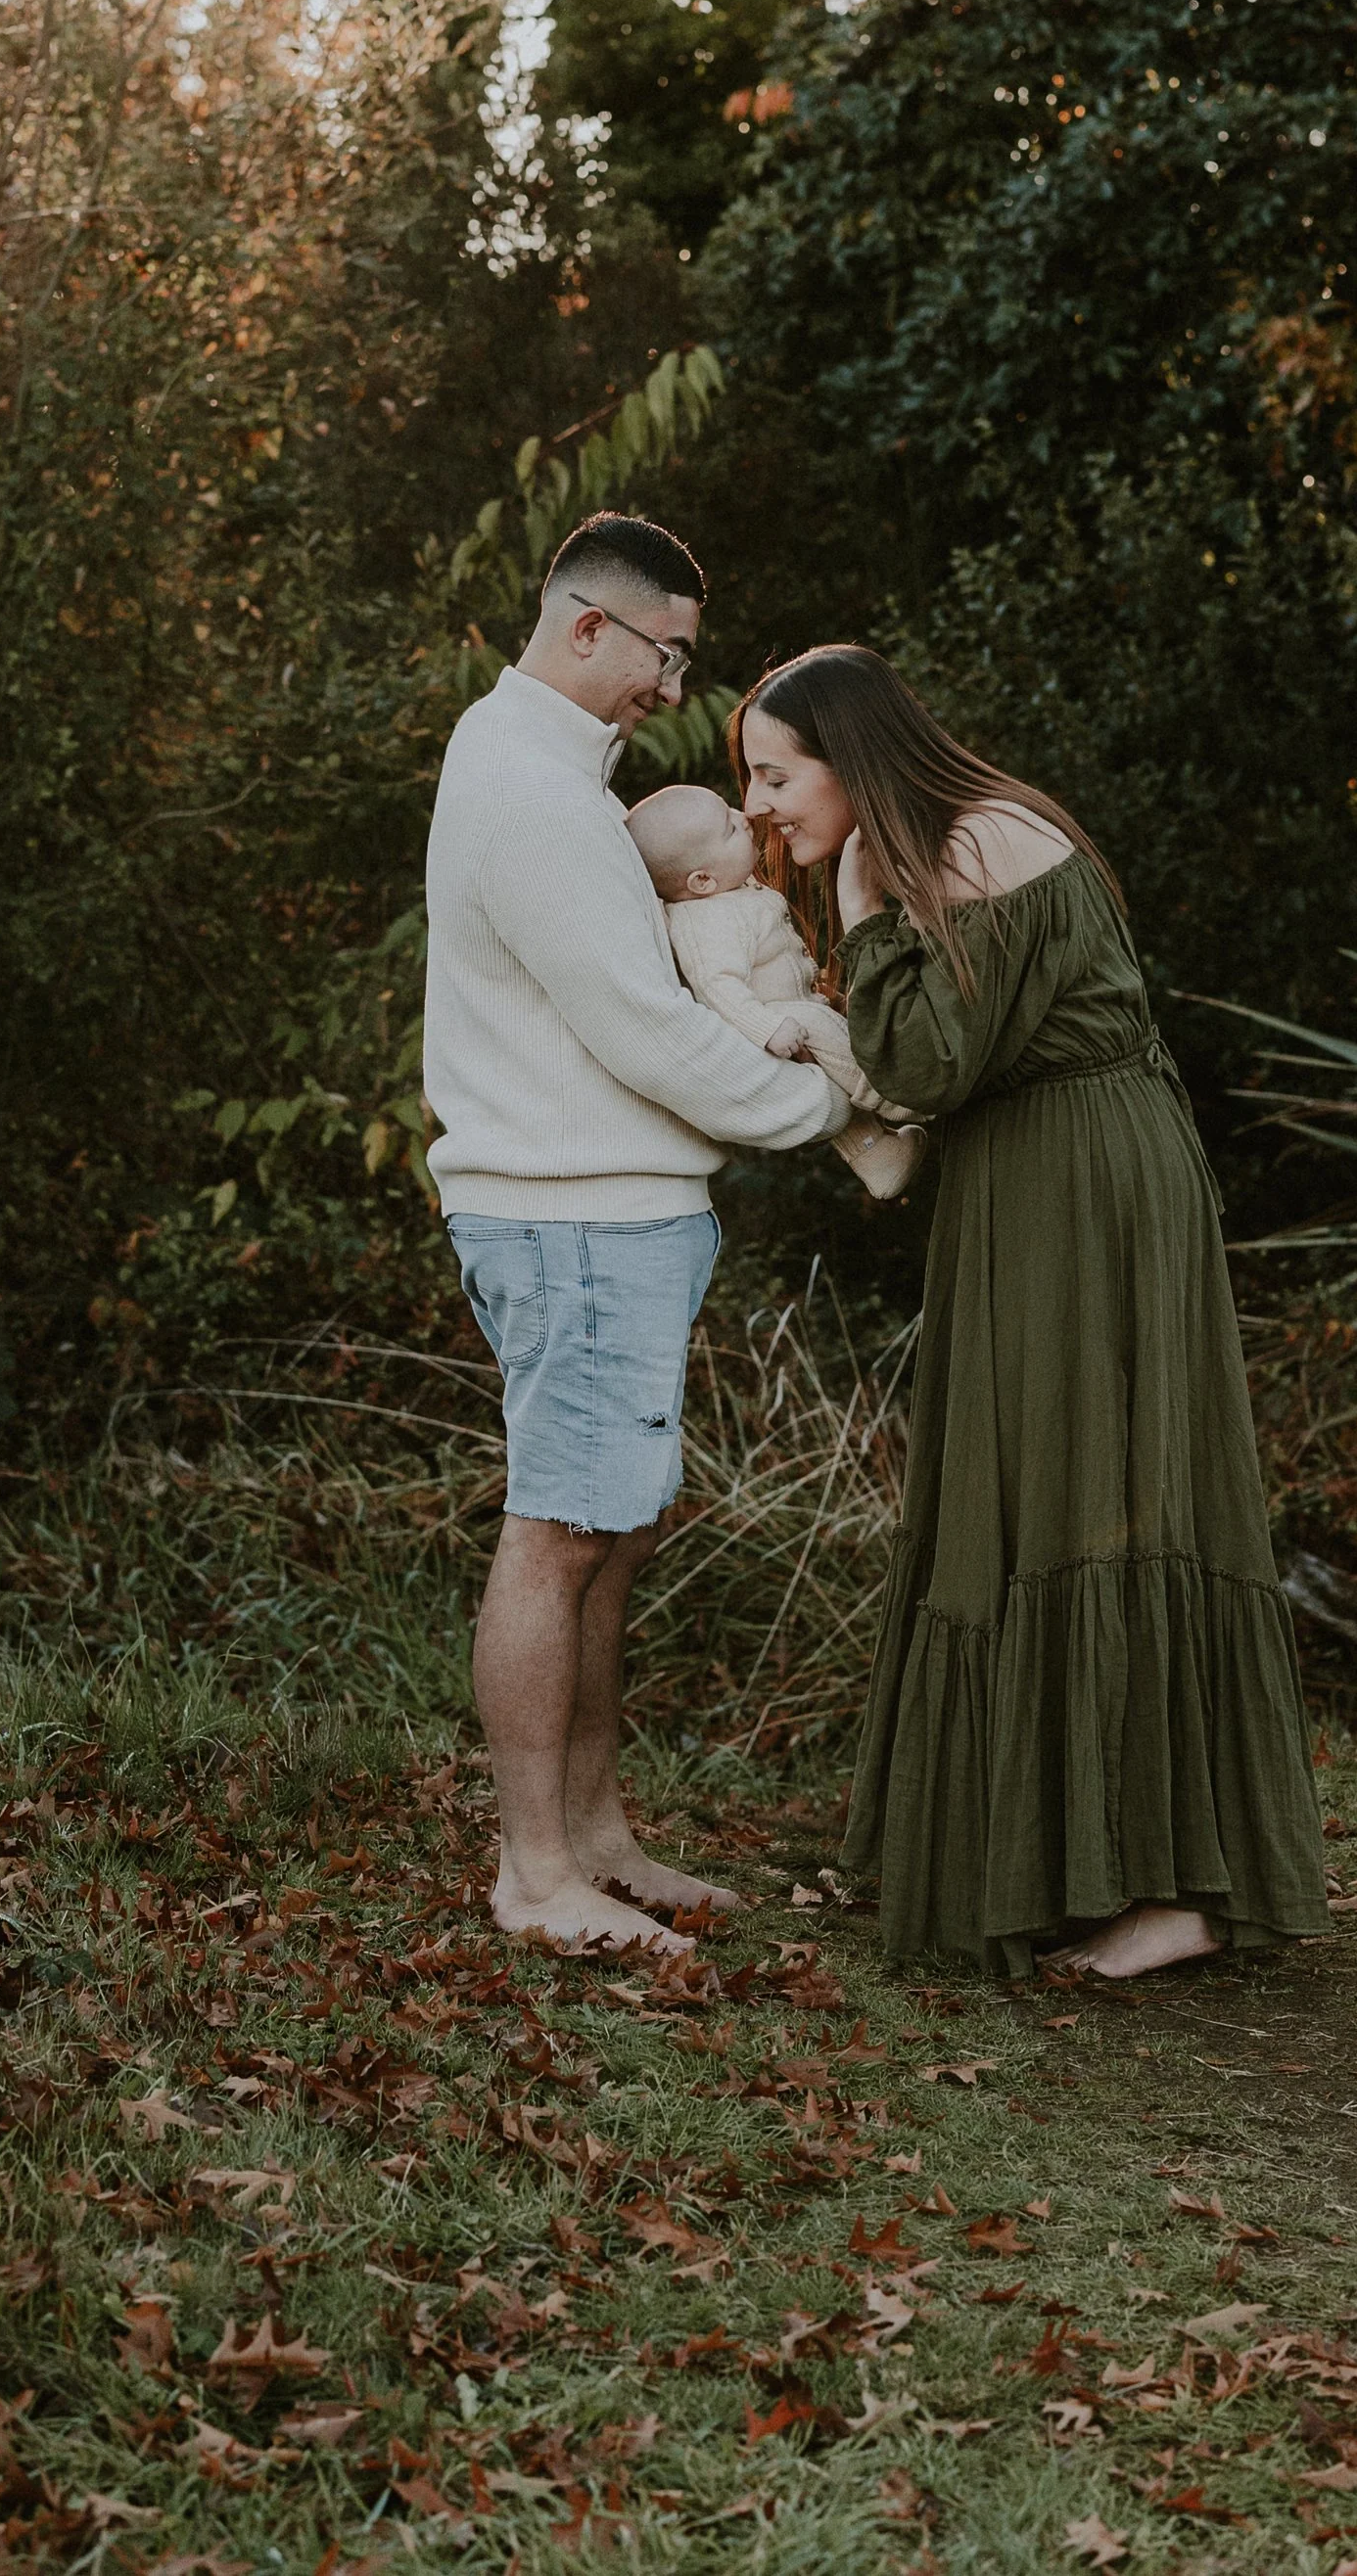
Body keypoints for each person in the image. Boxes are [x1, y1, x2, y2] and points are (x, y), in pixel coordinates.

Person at [736, 646, 1328, 1981]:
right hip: (1034, 1177)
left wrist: (855, 898)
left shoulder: (983, 840)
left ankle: (1181, 1887)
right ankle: (1069, 1862)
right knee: (1037, 1496)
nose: (761, 803)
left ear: (855, 758)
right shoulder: (953, 843)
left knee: (1101, 1490)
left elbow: (922, 1061)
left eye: (777, 773)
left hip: (1090, 1181)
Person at [423, 513, 851, 1958]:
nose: (678, 686)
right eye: (666, 654)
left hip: (612, 1210)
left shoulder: (557, 768)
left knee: (609, 1528)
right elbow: (647, 1034)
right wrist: (834, 1111)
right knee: (559, 1530)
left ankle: (594, 1834)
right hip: (570, 1214)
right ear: (587, 624)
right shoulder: (532, 790)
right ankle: (534, 1871)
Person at [625, 781, 926, 1203]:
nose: (744, 817)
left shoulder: (729, 894)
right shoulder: (705, 922)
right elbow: (718, 987)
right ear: (702, 880)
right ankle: (901, 1093)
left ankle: (878, 1156)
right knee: (834, 1042)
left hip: (795, 1007)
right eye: (729, 827)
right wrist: (768, 1028)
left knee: (831, 1059)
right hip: (783, 1019)